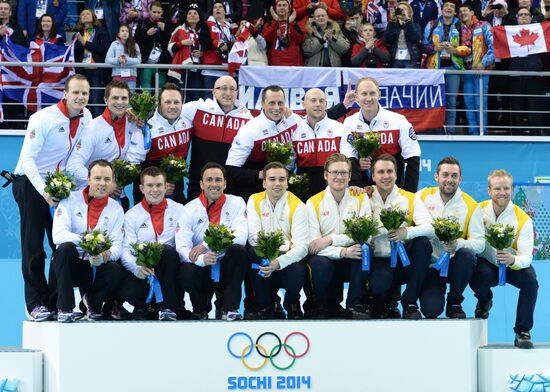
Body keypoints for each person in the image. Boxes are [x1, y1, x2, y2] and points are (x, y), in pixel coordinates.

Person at [12, 74, 92, 321]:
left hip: (59, 185)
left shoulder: (87, 117)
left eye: (85, 93)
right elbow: (27, 160)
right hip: (30, 182)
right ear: (65, 94)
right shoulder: (43, 118)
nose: (80, 98)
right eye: (76, 93)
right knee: (34, 246)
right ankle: (35, 303)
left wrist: (90, 181)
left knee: (62, 244)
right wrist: (43, 191)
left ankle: (57, 302)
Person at [470, 169, 538, 349]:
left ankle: (522, 331)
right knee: (473, 270)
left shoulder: (523, 219)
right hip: (488, 265)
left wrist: (513, 260)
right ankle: (484, 299)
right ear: (489, 191)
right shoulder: (478, 211)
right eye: (498, 188)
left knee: (531, 281)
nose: (502, 192)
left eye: (506, 188)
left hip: (512, 265)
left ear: (512, 190)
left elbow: (526, 257)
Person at [51, 159, 124, 322]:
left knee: (114, 268)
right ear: (88, 179)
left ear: (112, 182)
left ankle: (93, 304)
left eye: (107, 179)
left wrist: (105, 254)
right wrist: (91, 242)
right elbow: (58, 235)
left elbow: (118, 244)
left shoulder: (116, 209)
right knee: (65, 249)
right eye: (97, 178)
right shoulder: (69, 199)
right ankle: (65, 308)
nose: (102, 183)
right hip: (70, 265)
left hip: (95, 267)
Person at [176, 162, 248, 320]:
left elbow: (241, 237)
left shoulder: (237, 202)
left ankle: (229, 309)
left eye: (218, 180)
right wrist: (202, 259)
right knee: (185, 272)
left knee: (239, 251)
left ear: (225, 183)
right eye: (209, 180)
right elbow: (182, 248)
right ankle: (200, 308)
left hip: (226, 265)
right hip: (201, 268)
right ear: (201, 184)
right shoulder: (189, 209)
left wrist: (205, 245)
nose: (214, 184)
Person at [417, 156, 484, 319]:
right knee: (431, 311)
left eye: (454, 176)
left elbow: (480, 244)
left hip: (455, 265)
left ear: (460, 178)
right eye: (445, 175)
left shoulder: (471, 205)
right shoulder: (421, 197)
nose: (449, 180)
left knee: (467, 254)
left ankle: (454, 302)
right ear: (436, 177)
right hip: (431, 266)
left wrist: (457, 244)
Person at [306, 153, 372, 319]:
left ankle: (354, 305)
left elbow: (365, 235)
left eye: (343, 173)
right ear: (325, 175)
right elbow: (314, 246)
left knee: (363, 249)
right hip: (326, 258)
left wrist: (330, 239)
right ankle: (321, 305)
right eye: (334, 172)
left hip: (350, 258)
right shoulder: (313, 202)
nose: (339, 177)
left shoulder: (360, 197)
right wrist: (342, 251)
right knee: (319, 264)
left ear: (350, 176)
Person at [368, 154, 433, 319]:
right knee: (379, 283)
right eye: (380, 172)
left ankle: (410, 302)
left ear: (396, 174)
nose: (386, 176)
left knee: (423, 243)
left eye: (390, 171)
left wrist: (407, 232)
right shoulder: (363, 197)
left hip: (404, 261)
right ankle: (380, 302)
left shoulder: (410, 198)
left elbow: (431, 227)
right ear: (373, 175)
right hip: (378, 261)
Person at [66, 80, 145, 210]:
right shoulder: (92, 129)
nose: (120, 102)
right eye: (115, 98)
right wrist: (103, 183)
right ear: (105, 100)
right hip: (90, 199)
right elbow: (73, 166)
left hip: (119, 197)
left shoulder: (133, 123)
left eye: (124, 98)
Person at [119, 166, 184, 321]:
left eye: (158, 185)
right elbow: (126, 249)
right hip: (143, 271)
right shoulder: (131, 215)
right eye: (150, 185)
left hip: (171, 269)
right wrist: (137, 267)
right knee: (128, 288)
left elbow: (185, 242)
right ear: (141, 188)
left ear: (166, 186)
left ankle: (167, 308)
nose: (154, 190)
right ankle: (143, 306)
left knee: (167, 251)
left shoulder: (180, 210)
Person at [246, 162, 308, 319]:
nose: (277, 184)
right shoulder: (254, 200)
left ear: (287, 183)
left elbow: (301, 247)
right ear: (264, 182)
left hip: (287, 261)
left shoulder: (298, 205)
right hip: (265, 257)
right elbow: (254, 238)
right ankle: (266, 305)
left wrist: (278, 262)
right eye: (272, 179)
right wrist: (284, 246)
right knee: (253, 253)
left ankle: (293, 304)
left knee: (298, 269)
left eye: (282, 179)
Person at [341, 77, 421, 193]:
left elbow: (413, 158)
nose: (368, 98)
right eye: (364, 94)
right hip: (363, 191)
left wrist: (409, 195)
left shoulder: (398, 121)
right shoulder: (349, 123)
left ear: (379, 95)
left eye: (372, 93)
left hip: (394, 190)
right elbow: (348, 159)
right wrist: (356, 185)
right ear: (357, 97)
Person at [180, 75, 253, 200]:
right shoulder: (198, 108)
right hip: (199, 184)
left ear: (237, 92)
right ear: (214, 91)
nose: (228, 93)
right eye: (223, 88)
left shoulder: (247, 119)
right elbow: (167, 110)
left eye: (232, 89)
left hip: (230, 185)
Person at [225, 84, 298, 200]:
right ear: (262, 104)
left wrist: (286, 173)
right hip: (254, 193)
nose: (277, 107)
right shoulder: (249, 130)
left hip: (282, 190)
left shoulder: (292, 121)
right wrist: (261, 175)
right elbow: (231, 170)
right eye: (272, 103)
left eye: (280, 103)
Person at [132, 83, 193, 205]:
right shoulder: (146, 128)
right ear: (159, 104)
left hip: (177, 188)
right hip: (150, 193)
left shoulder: (188, 122)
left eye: (176, 102)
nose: (172, 106)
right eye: (167, 102)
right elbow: (134, 163)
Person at [423, 0, 471, 134]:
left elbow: (468, 47)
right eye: (446, 6)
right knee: (435, 100)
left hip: (453, 68)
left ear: (455, 11)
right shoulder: (431, 24)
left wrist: (455, 50)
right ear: (442, 9)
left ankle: (449, 131)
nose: (449, 8)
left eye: (452, 7)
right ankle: (434, 129)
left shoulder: (460, 25)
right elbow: (423, 44)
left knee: (451, 100)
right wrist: (434, 48)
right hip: (434, 69)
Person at [291, 88, 345, 200]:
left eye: (321, 101)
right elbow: (289, 166)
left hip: (334, 190)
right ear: (303, 104)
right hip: (304, 192)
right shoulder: (294, 131)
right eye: (313, 100)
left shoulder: (340, 128)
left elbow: (349, 162)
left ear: (326, 104)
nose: (318, 104)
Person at [507, 7, 544, 135]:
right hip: (516, 77)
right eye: (521, 15)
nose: (523, 16)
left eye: (526, 14)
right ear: (516, 18)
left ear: (530, 17)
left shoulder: (540, 31)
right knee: (516, 109)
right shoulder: (509, 32)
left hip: (534, 77)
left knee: (535, 110)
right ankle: (516, 136)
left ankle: (536, 136)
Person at [458, 2, 494, 135]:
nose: (462, 13)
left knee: (480, 102)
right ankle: (473, 132)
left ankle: (482, 132)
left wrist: (483, 63)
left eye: (465, 10)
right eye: (460, 11)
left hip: (481, 70)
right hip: (466, 71)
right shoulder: (458, 28)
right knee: (468, 102)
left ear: (472, 13)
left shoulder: (484, 25)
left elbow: (493, 47)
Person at [167, 3, 212, 101]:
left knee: (195, 96)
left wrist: (202, 54)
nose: (192, 15)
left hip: (198, 68)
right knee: (182, 96)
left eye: (195, 13)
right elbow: (170, 48)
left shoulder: (204, 31)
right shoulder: (179, 30)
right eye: (190, 13)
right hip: (183, 68)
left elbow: (209, 49)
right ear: (186, 17)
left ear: (199, 17)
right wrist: (181, 43)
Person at [74, 8, 109, 117]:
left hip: (96, 71)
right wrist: (80, 43)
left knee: (96, 100)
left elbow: (103, 50)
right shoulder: (79, 33)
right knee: (82, 101)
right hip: (82, 71)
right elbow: (75, 54)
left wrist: (85, 43)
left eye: (88, 13)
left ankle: (98, 127)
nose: (85, 15)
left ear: (94, 16)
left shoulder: (101, 31)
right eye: (82, 14)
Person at [134, 1, 170, 92]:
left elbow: (169, 43)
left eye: (159, 12)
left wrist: (164, 31)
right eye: (154, 12)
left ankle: (161, 106)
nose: (156, 15)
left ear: (162, 12)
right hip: (146, 60)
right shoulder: (143, 22)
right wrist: (146, 34)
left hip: (161, 61)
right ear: (149, 11)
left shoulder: (166, 23)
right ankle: (148, 106)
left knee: (161, 85)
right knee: (146, 83)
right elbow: (136, 41)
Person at [202, 1, 236, 91]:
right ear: (212, 12)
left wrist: (227, 46)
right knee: (208, 101)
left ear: (225, 12)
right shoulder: (207, 24)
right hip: (211, 69)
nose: (217, 8)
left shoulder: (230, 28)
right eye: (215, 7)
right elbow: (203, 41)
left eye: (220, 7)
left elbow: (235, 44)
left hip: (227, 69)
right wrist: (217, 43)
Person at [261, 0, 305, 66]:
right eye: (279, 5)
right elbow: (267, 39)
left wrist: (290, 23)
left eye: (284, 5)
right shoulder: (269, 25)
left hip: (294, 63)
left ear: (289, 8)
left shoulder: (297, 24)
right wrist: (275, 22)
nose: (282, 7)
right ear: (275, 9)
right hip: (275, 63)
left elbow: (300, 39)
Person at [383, 2, 422, 68]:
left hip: (411, 60)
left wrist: (407, 21)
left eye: (404, 9)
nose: (401, 11)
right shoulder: (393, 25)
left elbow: (415, 39)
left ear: (409, 12)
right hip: (395, 60)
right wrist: (392, 21)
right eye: (399, 9)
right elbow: (387, 40)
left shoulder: (415, 25)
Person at [106, 24, 142, 92]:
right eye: (122, 31)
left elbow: (139, 60)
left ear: (130, 34)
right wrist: (118, 60)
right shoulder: (114, 44)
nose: (125, 33)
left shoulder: (135, 45)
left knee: (129, 98)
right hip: (117, 75)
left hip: (131, 76)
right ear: (119, 34)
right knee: (117, 97)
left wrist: (126, 60)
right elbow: (107, 59)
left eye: (127, 31)